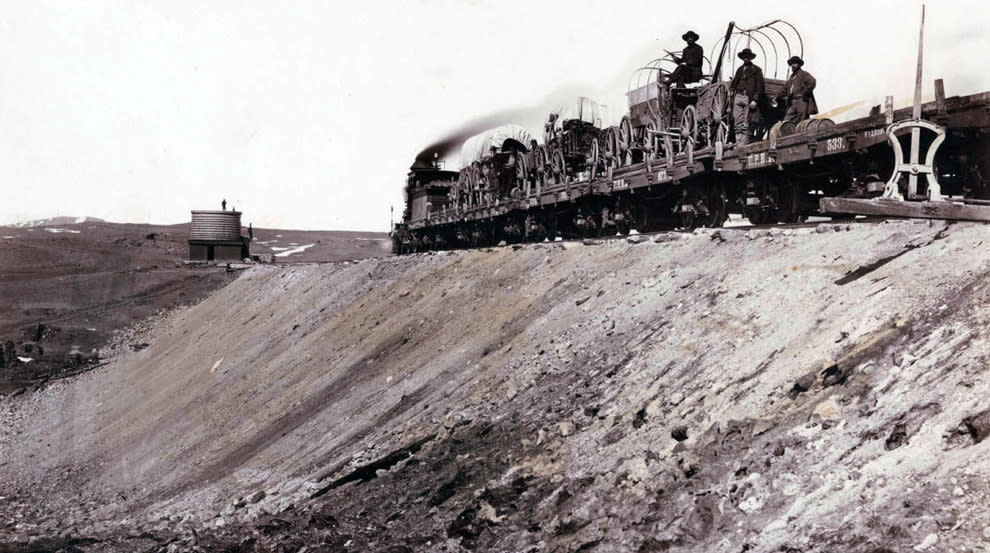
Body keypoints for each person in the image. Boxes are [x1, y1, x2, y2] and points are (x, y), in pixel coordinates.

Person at [729, 48, 765, 145]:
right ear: (742, 58)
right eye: (744, 57)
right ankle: (738, 142)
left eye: (748, 57)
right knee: (737, 120)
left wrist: (755, 100)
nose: (746, 59)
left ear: (750, 58)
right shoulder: (740, 70)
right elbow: (734, 83)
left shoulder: (756, 70)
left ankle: (743, 145)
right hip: (738, 96)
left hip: (748, 98)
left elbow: (760, 87)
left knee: (747, 121)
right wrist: (732, 92)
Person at [778, 56, 818, 125]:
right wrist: (777, 96)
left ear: (799, 65)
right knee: (786, 121)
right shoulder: (792, 76)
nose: (793, 65)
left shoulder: (804, 74)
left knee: (801, 121)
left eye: (795, 63)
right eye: (792, 64)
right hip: (793, 102)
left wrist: (804, 93)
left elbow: (812, 82)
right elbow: (784, 89)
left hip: (801, 101)